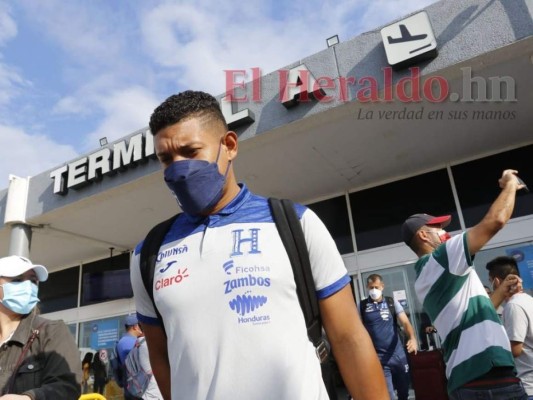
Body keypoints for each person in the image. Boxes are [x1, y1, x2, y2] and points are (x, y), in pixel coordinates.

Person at [130, 90, 388, 400]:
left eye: (190, 151)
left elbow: (348, 339)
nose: (178, 169)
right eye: (166, 159)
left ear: (229, 146)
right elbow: (161, 357)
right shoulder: (148, 254)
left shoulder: (296, 224)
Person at [401, 169, 527, 400]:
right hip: (490, 382)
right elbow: (496, 220)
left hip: (471, 383)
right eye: (438, 228)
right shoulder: (441, 260)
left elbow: (471, 314)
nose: (445, 232)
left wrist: (499, 292)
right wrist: (510, 185)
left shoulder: (429, 275)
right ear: (424, 236)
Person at [0, 255, 82, 399]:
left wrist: (29, 398)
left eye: (32, 281)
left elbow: (67, 387)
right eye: (18, 279)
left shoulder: (51, 331)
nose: (28, 286)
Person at [360, 274, 418, 400]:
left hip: (398, 355)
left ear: (382, 286)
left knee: (404, 392)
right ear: (366, 287)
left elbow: (406, 322)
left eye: (376, 287)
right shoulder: (362, 306)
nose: (373, 290)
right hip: (379, 359)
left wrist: (412, 338)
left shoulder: (391, 302)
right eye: (371, 287)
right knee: (389, 395)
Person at [487, 256, 533, 399]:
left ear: (496, 281)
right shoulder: (528, 300)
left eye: (490, 281)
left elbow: (515, 350)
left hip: (528, 385)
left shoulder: (514, 306)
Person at [117, 315, 143, 400]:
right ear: (135, 327)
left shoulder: (122, 341)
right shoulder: (131, 342)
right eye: (140, 325)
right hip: (138, 387)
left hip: (131, 386)